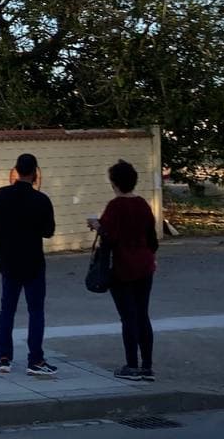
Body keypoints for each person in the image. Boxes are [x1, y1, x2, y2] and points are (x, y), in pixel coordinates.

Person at [88, 159, 159, 382]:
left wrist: (97, 226)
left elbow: (110, 237)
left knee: (128, 317)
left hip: (121, 267)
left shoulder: (115, 206)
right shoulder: (143, 205)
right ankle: (147, 366)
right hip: (144, 265)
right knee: (142, 315)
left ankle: (132, 365)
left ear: (115, 183)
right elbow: (152, 239)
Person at [0, 152, 57, 377]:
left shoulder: (2, 195)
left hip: (9, 260)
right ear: (35, 173)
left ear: (16, 170)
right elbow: (49, 231)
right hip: (33, 260)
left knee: (7, 309)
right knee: (35, 311)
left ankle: (4, 357)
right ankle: (35, 359)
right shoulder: (41, 200)